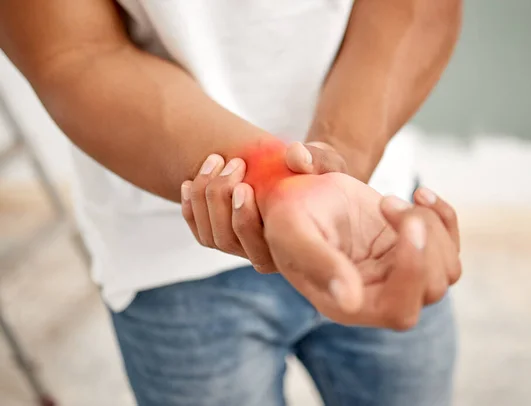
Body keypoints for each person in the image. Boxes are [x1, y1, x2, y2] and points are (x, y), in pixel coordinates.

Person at [0, 0, 463, 405]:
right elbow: (73, 52)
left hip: (376, 224)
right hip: (167, 257)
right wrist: (279, 182)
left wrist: (338, 163)